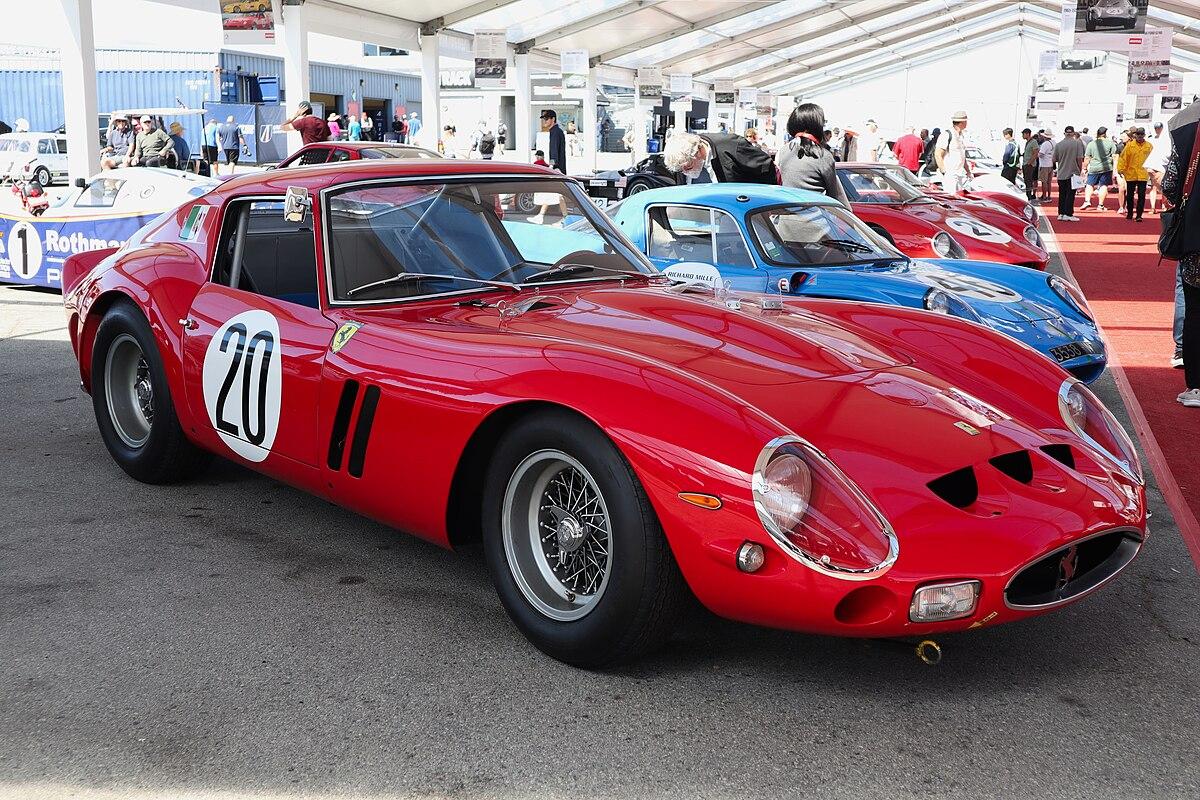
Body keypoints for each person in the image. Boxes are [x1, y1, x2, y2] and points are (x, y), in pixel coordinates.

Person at [1163, 99, 1200, 402]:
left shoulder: (1186, 124)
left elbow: (1171, 184)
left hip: (1196, 237)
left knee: (1195, 310)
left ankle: (1196, 385)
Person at [776, 103, 850, 206]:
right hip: (814, 213)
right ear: (818, 126)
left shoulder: (783, 151)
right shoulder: (823, 155)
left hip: (786, 212)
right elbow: (835, 195)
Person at [1117, 126, 1152, 221]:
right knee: (1130, 195)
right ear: (1135, 135)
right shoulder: (1130, 146)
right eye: (1138, 134)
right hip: (1131, 173)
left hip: (1143, 174)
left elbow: (1152, 159)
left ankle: (1139, 215)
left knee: (1141, 195)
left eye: (1141, 134)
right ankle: (1130, 213)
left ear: (1144, 135)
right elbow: (1123, 158)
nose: (1140, 136)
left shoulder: (1149, 146)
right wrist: (1120, 169)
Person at [1053, 125, 1086, 221]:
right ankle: (1068, 213)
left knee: (1062, 194)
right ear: (1073, 133)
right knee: (1070, 194)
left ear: (1064, 133)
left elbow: (1054, 159)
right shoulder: (1077, 144)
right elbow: (1079, 159)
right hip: (1073, 172)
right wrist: (1080, 171)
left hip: (1061, 173)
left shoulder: (1058, 145)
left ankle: (1061, 213)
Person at [1080, 126, 1116, 211]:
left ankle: (1087, 201)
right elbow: (1114, 156)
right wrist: (1115, 169)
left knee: (1089, 184)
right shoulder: (1111, 143)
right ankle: (1100, 205)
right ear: (1105, 134)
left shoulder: (1091, 144)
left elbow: (1087, 157)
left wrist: (1084, 168)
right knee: (1104, 185)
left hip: (1094, 167)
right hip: (1106, 168)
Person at [934, 111, 970, 192]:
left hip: (960, 174)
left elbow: (962, 156)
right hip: (950, 174)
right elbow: (938, 154)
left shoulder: (961, 135)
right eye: (966, 121)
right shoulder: (946, 134)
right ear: (962, 122)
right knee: (951, 197)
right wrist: (944, 172)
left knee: (959, 197)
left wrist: (968, 171)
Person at [1145, 121, 1168, 213]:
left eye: (1159, 128)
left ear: (1162, 128)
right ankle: (1153, 207)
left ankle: (1165, 205)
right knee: (1153, 187)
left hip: (1163, 166)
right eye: (1156, 128)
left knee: (1164, 187)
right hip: (1152, 165)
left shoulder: (1166, 139)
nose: (1157, 129)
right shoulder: (1151, 140)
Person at [541, 109, 566, 174]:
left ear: (553, 119)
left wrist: (551, 165)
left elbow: (554, 150)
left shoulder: (555, 132)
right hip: (560, 168)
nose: (544, 121)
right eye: (544, 119)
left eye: (546, 119)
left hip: (557, 169)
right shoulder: (556, 131)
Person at [1021, 128, 1039, 201]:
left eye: (1023, 134)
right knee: (1027, 180)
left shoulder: (1033, 142)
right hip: (1026, 164)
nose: (1022, 136)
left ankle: (1029, 196)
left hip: (1029, 165)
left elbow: (1036, 153)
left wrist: (1029, 163)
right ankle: (1028, 195)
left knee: (1028, 181)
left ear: (1028, 134)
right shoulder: (1028, 142)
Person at [1037, 132, 1056, 202]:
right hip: (1051, 164)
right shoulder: (1054, 143)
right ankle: (1048, 196)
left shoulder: (1045, 144)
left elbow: (1041, 154)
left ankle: (1044, 197)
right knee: (1049, 182)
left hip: (1044, 164)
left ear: (1044, 137)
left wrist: (1037, 154)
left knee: (1044, 182)